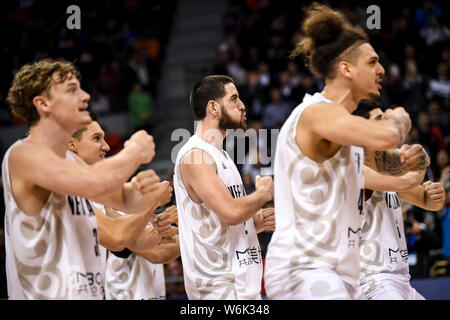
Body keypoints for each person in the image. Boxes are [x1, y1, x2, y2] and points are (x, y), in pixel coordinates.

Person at [263, 3, 423, 300]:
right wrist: (401, 116)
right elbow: (389, 135)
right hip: (306, 271)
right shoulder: (316, 113)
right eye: (372, 62)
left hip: (339, 275)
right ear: (346, 68)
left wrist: (416, 165)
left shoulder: (344, 133)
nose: (381, 70)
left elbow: (398, 176)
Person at [2, 59, 157, 299]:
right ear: (43, 104)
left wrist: (143, 194)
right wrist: (134, 152)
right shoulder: (23, 155)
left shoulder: (74, 164)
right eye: (72, 90)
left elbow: (120, 219)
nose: (85, 96)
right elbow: (99, 183)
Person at [173, 75, 275, 300]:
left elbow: (224, 219)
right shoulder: (195, 155)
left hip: (242, 285)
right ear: (213, 107)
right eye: (234, 99)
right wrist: (263, 193)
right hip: (218, 289)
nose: (242, 105)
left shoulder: (223, 155)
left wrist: (253, 222)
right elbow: (230, 212)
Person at [67, 118, 179, 300]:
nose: (106, 147)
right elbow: (123, 242)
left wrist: (165, 226)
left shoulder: (97, 197)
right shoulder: (60, 185)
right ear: (71, 143)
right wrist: (154, 203)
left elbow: (138, 241)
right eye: (96, 138)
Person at [356, 101, 445, 299]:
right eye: (379, 119)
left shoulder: (388, 177)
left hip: (401, 280)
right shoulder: (358, 168)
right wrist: (418, 158)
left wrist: (436, 195)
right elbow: (405, 169)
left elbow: (428, 201)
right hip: (373, 281)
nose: (385, 123)